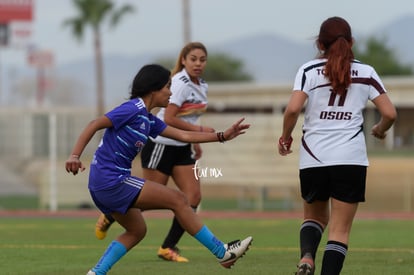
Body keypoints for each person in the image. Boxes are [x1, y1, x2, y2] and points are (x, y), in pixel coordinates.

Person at [65, 64, 253, 275]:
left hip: (104, 185)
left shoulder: (148, 119)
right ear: (153, 89)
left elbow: (184, 136)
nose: (171, 92)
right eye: (167, 86)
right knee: (179, 200)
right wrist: (74, 156)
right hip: (111, 181)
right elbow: (94, 123)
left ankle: (96, 273)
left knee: (137, 231)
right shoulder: (132, 108)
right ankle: (222, 252)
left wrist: (222, 136)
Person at [277, 17, 397, 275]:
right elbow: (390, 113)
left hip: (313, 158)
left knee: (314, 218)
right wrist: (380, 129)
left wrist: (286, 136)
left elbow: (293, 109)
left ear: (319, 43)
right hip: (350, 159)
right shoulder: (366, 72)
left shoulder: (308, 70)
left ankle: (307, 258)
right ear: (351, 42)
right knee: (339, 231)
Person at [94, 42, 215, 263]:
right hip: (161, 143)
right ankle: (112, 213)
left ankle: (168, 247)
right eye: (193, 59)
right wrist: (74, 156)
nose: (198, 63)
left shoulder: (202, 85)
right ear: (183, 60)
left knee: (192, 197)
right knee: (152, 197)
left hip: (181, 146)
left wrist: (201, 140)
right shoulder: (177, 83)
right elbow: (168, 118)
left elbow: (189, 120)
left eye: (202, 59)